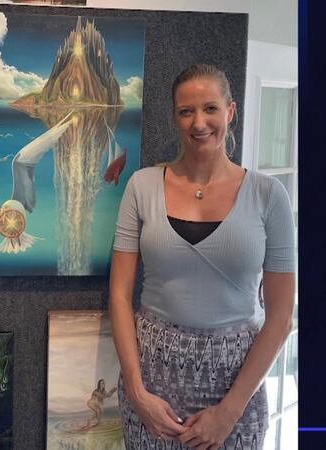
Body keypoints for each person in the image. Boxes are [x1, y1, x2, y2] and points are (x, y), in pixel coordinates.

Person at [109, 64, 295, 450]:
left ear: (230, 111)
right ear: (174, 117)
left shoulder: (269, 196)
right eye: (186, 111)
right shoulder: (141, 186)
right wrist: (137, 392)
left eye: (210, 108)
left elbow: (281, 316)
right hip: (151, 388)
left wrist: (228, 413)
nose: (199, 123)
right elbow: (119, 295)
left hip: (236, 390)